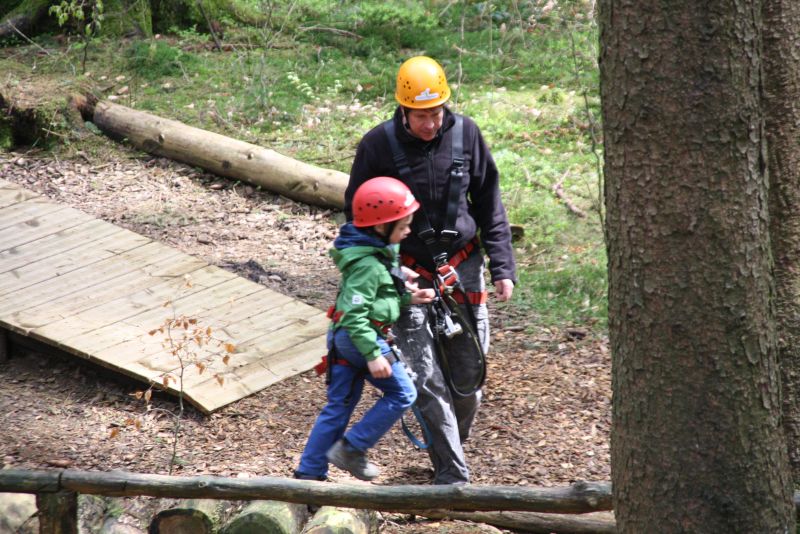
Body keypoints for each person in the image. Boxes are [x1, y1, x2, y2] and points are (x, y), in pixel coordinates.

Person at [344, 56, 517, 485]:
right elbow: (358, 218)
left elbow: (490, 202)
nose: (430, 123)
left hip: (462, 267)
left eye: (436, 113)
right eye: (421, 115)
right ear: (404, 109)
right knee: (423, 376)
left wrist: (503, 265)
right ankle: (452, 475)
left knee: (469, 376)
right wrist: (381, 275)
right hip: (406, 271)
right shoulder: (378, 146)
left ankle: (451, 445)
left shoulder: (466, 135)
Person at [294, 176, 435, 482]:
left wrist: (409, 298)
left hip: (346, 338)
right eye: (403, 226)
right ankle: (352, 449)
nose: (408, 231)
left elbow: (377, 299)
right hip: (359, 337)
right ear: (381, 227)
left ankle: (309, 475)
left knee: (339, 407)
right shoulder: (368, 265)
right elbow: (356, 314)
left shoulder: (376, 252)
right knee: (403, 393)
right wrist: (372, 354)